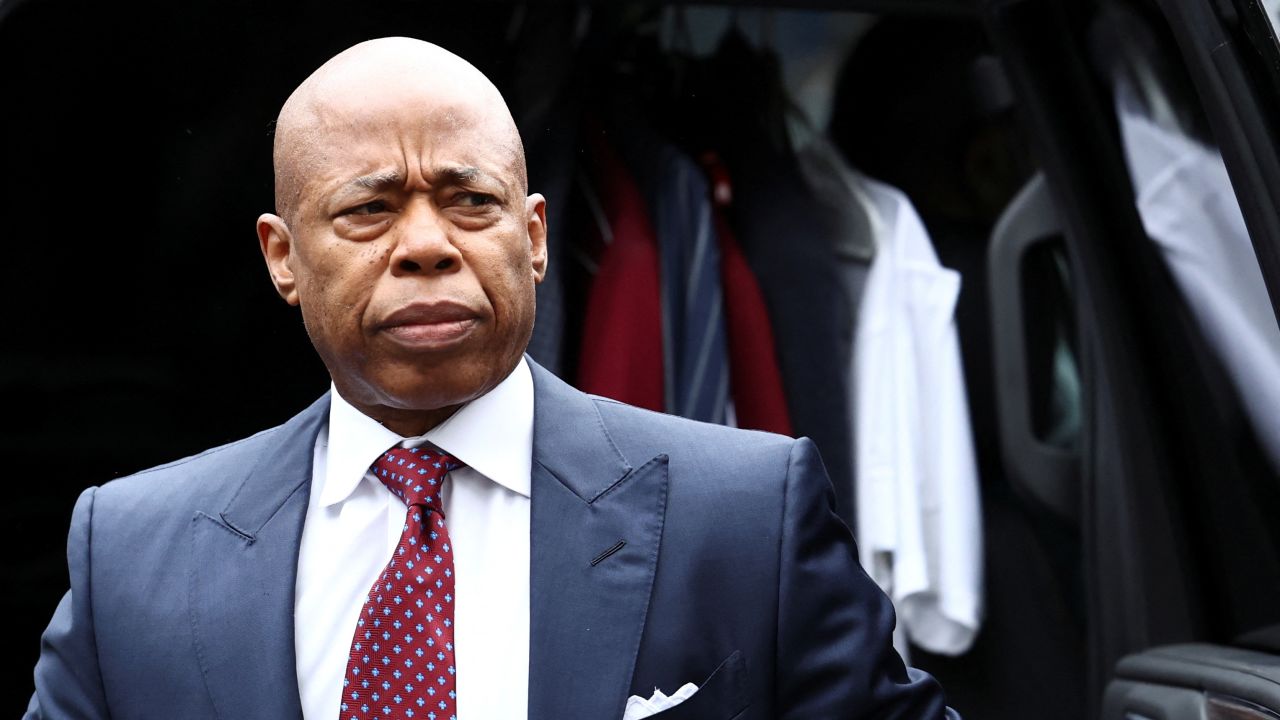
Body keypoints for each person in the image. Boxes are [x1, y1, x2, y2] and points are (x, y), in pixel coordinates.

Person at [26, 37, 958, 720]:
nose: (429, 245)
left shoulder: (746, 518)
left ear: (536, 236)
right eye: (369, 208)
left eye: (472, 201)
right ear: (282, 257)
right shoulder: (133, 556)